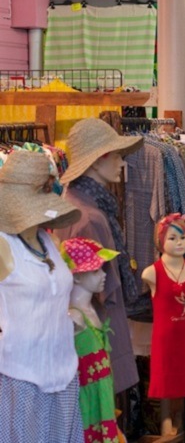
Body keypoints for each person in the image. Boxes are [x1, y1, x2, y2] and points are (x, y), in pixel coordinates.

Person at [56, 118, 143, 401]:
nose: (122, 163)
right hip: (96, 337)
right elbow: (101, 293)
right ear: (95, 161)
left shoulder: (78, 205)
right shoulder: (90, 217)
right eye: (117, 155)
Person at [0, 151, 84, 442]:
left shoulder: (48, 239)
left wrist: (70, 317)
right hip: (22, 375)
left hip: (64, 372)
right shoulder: (2, 245)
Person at [142, 213, 185, 434]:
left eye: (182, 238)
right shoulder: (152, 273)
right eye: (172, 238)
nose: (179, 243)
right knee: (166, 383)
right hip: (165, 340)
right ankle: (167, 424)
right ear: (160, 241)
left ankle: (180, 423)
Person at [61, 237, 123, 443]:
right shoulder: (75, 317)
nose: (104, 275)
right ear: (76, 277)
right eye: (96, 270)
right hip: (86, 401)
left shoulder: (91, 310)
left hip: (102, 394)